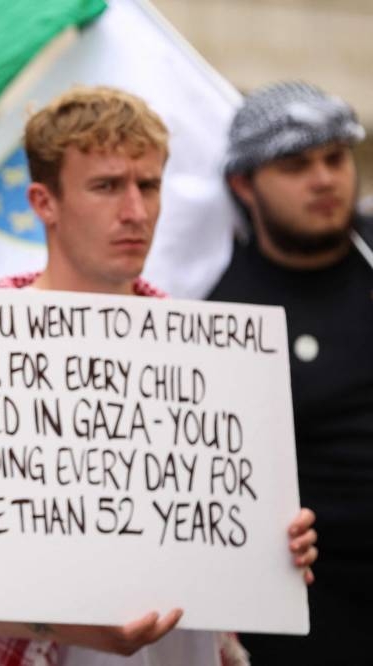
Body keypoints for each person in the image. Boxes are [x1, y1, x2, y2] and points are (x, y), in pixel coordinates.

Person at [0, 86, 318, 666]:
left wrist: (272, 550)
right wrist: (76, 629)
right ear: (44, 202)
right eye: (106, 186)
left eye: (148, 185)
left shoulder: (210, 357)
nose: (134, 211)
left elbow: (223, 538)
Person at [208, 81, 372, 664]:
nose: (325, 179)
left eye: (335, 158)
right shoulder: (226, 322)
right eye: (296, 165)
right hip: (314, 615)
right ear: (244, 185)